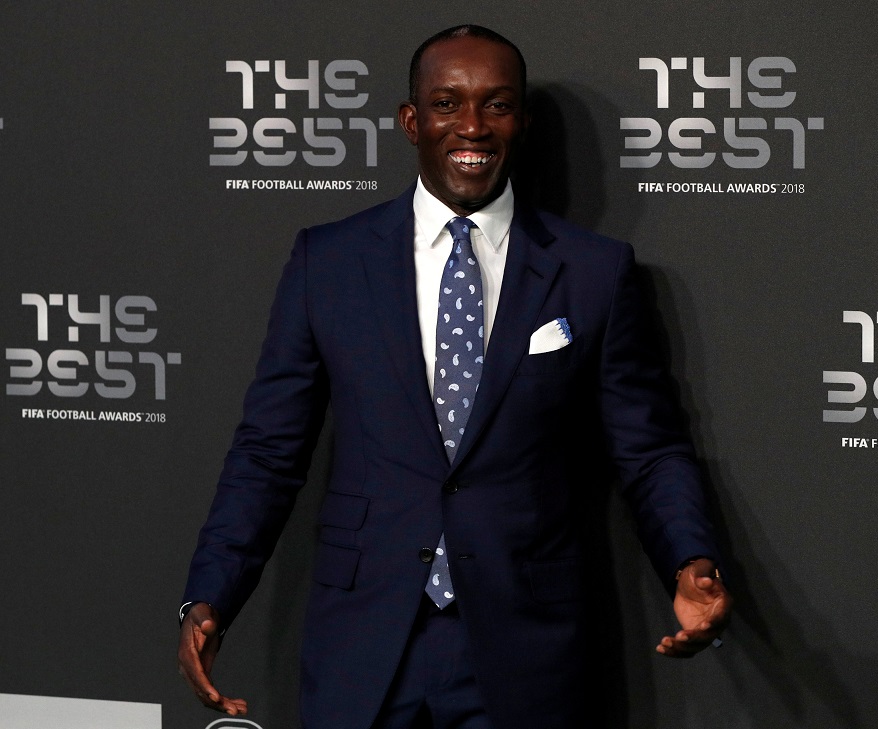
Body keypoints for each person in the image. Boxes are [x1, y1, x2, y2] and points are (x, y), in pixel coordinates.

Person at [178, 24, 732, 729]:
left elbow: (648, 447)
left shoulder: (593, 272)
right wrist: (209, 595)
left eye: (497, 105)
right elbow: (268, 449)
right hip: (364, 638)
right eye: (447, 103)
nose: (472, 125)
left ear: (522, 122)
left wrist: (691, 559)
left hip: (524, 644)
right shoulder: (330, 261)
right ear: (412, 120)